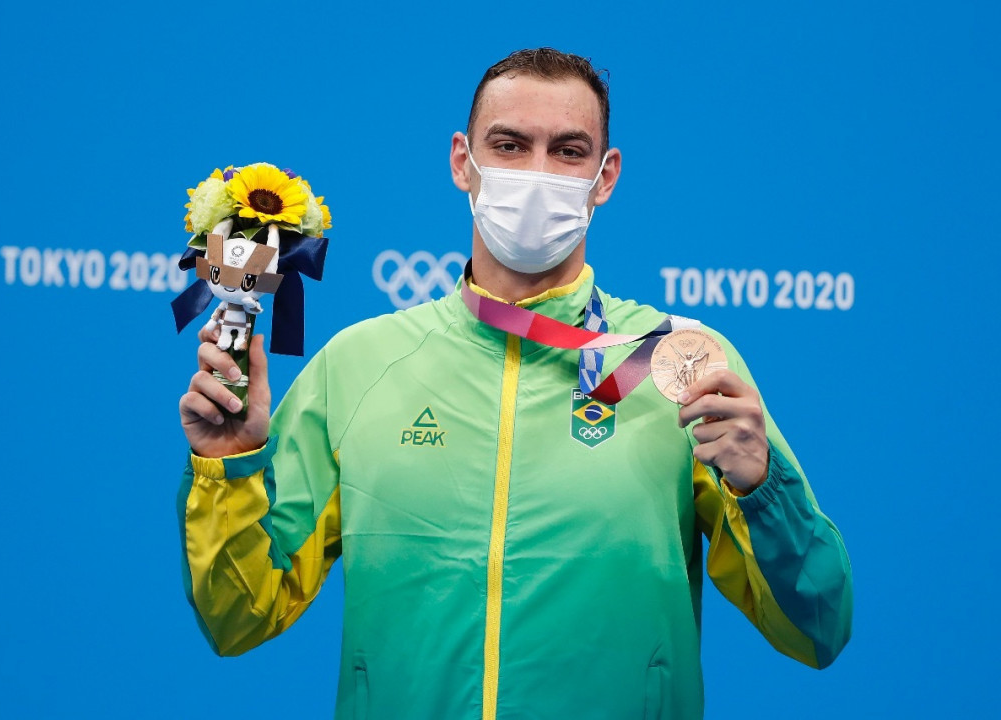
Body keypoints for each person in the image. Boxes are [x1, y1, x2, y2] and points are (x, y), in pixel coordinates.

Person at [177, 48, 853, 720]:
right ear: (460, 162)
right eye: (509, 144)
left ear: (605, 175)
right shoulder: (356, 367)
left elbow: (819, 629)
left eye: (567, 151)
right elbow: (237, 618)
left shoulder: (673, 362)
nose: (537, 173)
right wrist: (225, 466)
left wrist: (763, 492)